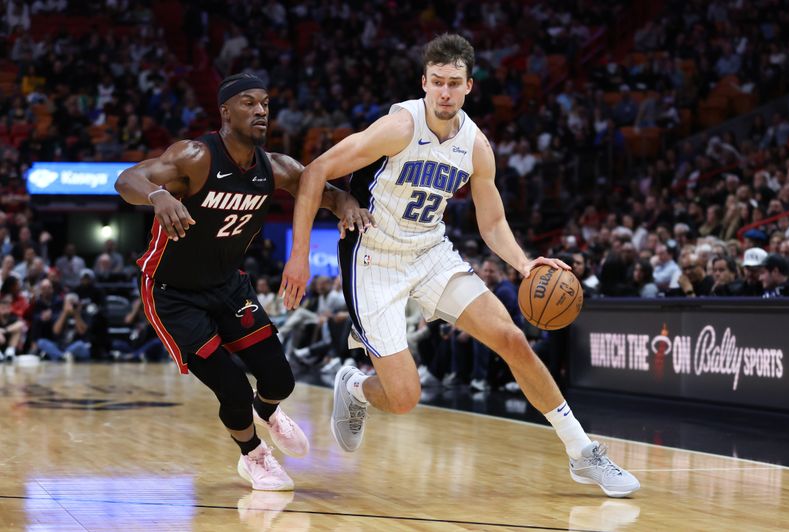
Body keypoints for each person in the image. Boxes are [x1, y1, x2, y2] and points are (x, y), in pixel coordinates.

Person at [282, 35, 639, 497]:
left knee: (512, 337)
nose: (445, 92)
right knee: (405, 398)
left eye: (454, 83)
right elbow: (314, 172)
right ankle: (355, 386)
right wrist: (299, 256)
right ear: (424, 83)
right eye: (437, 83)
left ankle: (582, 452)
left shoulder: (476, 145)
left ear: (469, 86)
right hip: (374, 258)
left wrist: (526, 264)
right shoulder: (398, 127)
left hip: (430, 252)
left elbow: (491, 222)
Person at [115, 73, 371, 492]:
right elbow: (127, 180)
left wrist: (348, 205)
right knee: (231, 389)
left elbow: (327, 193)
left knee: (280, 380)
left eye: (265, 103)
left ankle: (267, 410)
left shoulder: (277, 167)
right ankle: (254, 456)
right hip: (173, 294)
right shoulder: (196, 157)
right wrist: (158, 196)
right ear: (225, 111)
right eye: (249, 103)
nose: (260, 111)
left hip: (228, 286)